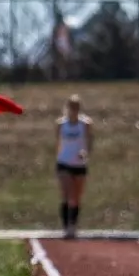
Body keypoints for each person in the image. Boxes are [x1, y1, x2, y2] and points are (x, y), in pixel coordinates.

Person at [54, 95, 92, 239]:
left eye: (76, 108)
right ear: (67, 108)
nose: (74, 111)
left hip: (79, 164)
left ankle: (73, 225)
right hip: (64, 162)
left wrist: (85, 152)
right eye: (71, 107)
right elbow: (58, 142)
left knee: (76, 197)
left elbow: (89, 141)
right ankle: (66, 226)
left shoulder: (85, 124)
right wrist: (59, 156)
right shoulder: (61, 124)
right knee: (67, 194)